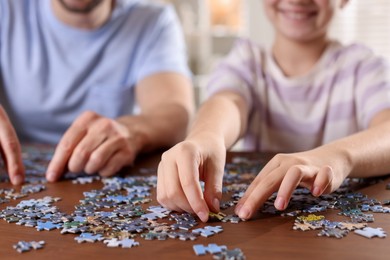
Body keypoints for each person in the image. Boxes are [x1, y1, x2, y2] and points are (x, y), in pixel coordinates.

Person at [157, 0, 390, 222]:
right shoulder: (246, 61)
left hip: (336, 216)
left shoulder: (363, 67)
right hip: (263, 221)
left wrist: (338, 157)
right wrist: (206, 136)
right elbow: (227, 100)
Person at [0, 0, 194, 185]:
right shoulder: (6, 9)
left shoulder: (152, 20)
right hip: (16, 174)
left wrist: (131, 131)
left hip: (108, 174)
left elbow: (175, 113)